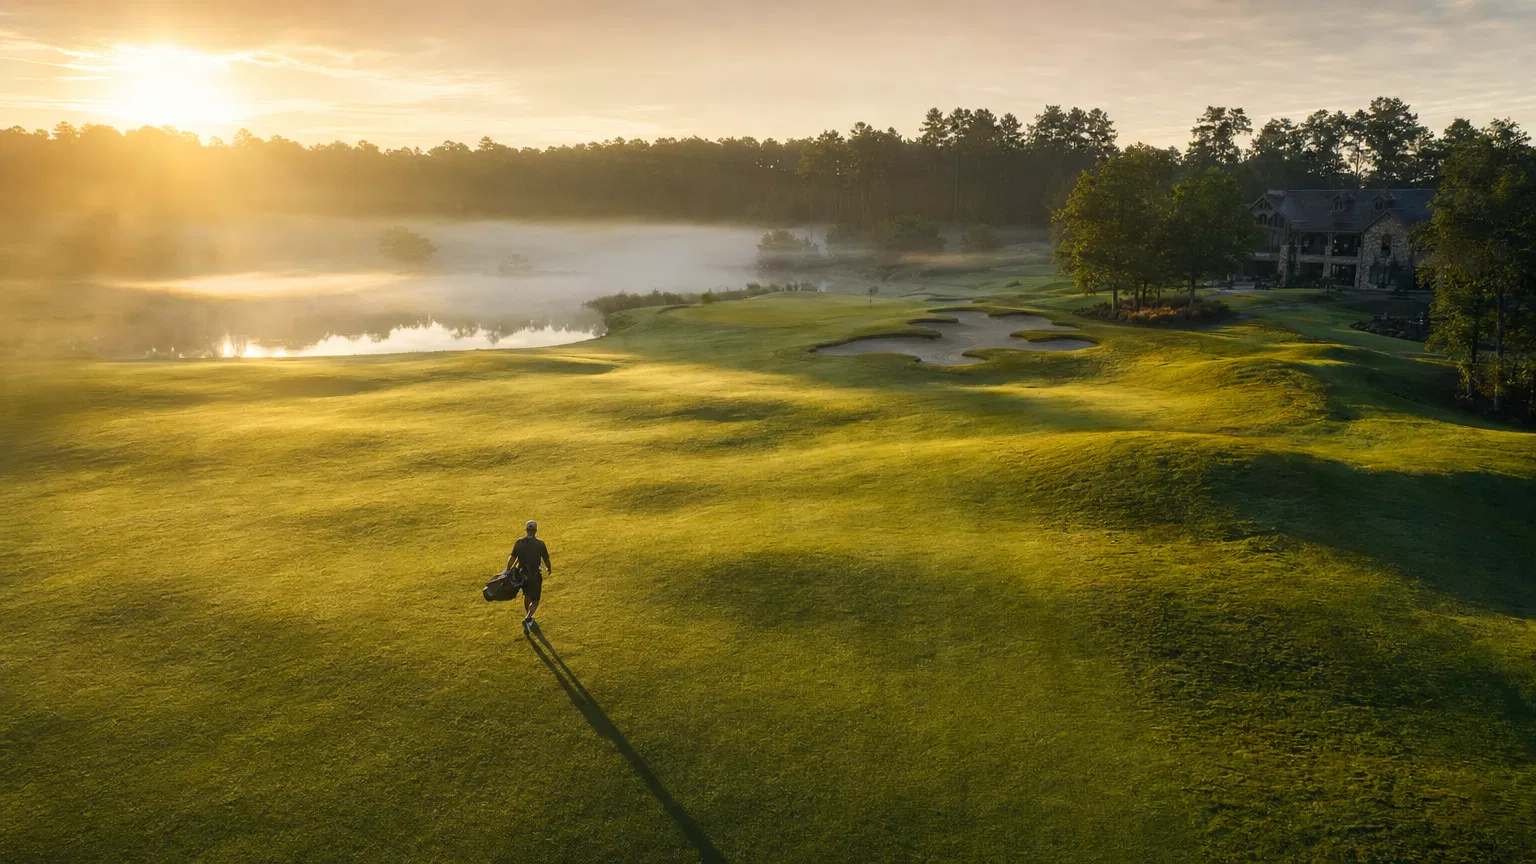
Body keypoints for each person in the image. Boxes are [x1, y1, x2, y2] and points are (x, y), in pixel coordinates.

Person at [505, 520, 551, 635]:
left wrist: (507, 570)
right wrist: (549, 568)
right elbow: (546, 559)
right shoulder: (540, 544)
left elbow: (512, 558)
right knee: (535, 600)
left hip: (521, 575)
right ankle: (528, 618)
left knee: (527, 596)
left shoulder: (519, 542)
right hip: (534, 575)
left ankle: (529, 617)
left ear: (526, 530)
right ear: (536, 530)